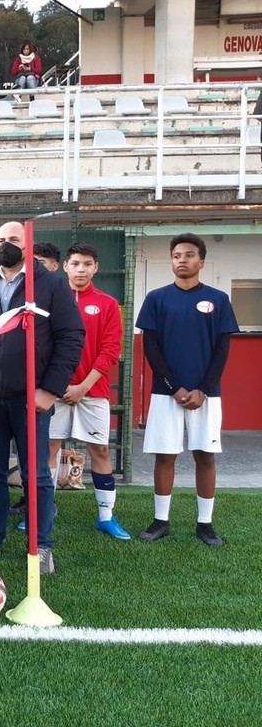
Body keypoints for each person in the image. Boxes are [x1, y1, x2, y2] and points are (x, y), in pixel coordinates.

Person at [0, 221, 84, 575]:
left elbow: (71, 336)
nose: (6, 244)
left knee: (37, 475)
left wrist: (50, 389)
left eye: (13, 239)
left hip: (31, 399)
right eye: (0, 240)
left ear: (27, 244)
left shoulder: (50, 285)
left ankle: (41, 543)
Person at [135, 233, 239, 547]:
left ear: (201, 262)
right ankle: (161, 521)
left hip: (206, 395)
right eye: (177, 255)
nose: (182, 259)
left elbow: (222, 350)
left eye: (189, 254)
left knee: (205, 456)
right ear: (172, 261)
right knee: (165, 456)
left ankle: (205, 525)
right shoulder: (156, 298)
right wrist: (174, 388)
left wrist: (204, 388)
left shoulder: (219, 299)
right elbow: (151, 349)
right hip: (165, 392)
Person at [49, 243, 127, 540]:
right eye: (75, 263)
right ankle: (42, 512)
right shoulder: (51, 301)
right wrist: (55, 384)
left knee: (100, 450)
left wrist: (83, 386)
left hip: (92, 391)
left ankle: (106, 517)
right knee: (49, 449)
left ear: (96, 268)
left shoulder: (108, 303)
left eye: (87, 264)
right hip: (54, 391)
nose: (81, 269)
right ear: (65, 267)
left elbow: (111, 350)